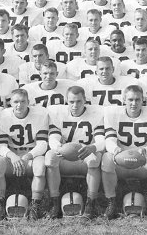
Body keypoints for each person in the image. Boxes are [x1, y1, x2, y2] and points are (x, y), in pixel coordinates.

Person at [101, 85, 147, 219]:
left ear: (143, 100)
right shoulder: (113, 114)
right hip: (120, 159)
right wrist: (116, 150)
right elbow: (109, 140)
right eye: (130, 99)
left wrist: (145, 150)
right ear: (124, 99)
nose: (134, 103)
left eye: (137, 99)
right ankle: (111, 201)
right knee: (107, 158)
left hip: (143, 159)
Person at [45, 86, 105, 218]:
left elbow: (101, 140)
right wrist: (58, 148)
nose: (75, 105)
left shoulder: (96, 114)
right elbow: (53, 137)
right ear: (67, 101)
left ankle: (91, 202)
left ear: (85, 100)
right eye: (71, 102)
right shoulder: (58, 114)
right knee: (50, 156)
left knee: (95, 158)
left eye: (78, 101)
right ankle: (54, 201)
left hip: (86, 153)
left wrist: (92, 148)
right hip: (65, 155)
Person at [0, 89, 49, 220]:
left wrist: (27, 156)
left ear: (28, 102)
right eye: (16, 101)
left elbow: (42, 144)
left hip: (31, 155)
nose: (19, 105)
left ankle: (35, 204)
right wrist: (13, 156)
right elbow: (0, 145)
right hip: (13, 156)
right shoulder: (3, 116)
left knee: (40, 166)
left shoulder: (40, 115)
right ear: (10, 102)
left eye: (23, 101)